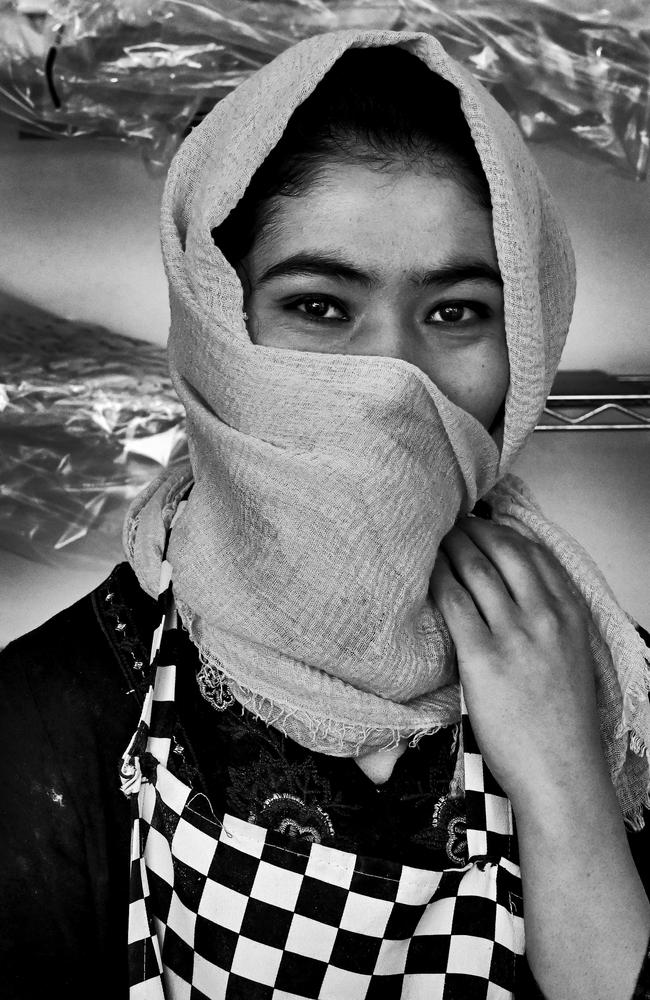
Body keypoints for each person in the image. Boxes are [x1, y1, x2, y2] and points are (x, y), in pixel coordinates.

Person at [1, 28, 649, 1000]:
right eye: (319, 305)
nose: (390, 381)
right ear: (222, 329)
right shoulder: (45, 720)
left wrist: (566, 793)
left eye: (455, 311)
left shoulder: (601, 681)